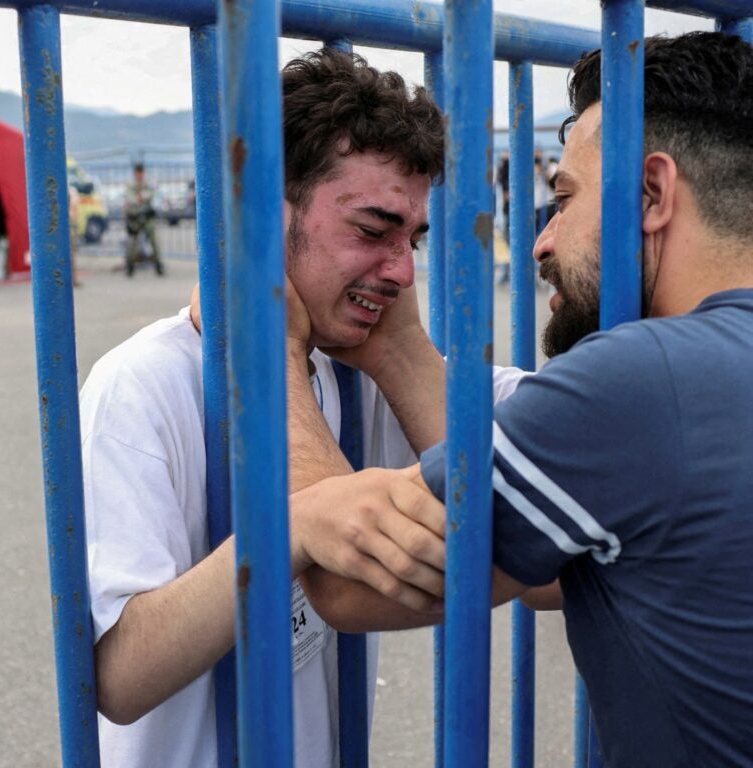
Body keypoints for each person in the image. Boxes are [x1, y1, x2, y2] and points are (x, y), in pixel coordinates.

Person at [296, 32, 753, 767]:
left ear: (654, 194)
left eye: (565, 200)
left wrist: (265, 345)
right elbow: (548, 563)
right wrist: (401, 352)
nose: (542, 242)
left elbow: (346, 582)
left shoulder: (647, 379)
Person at [80, 49, 525, 766]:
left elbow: (531, 508)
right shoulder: (143, 384)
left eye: (413, 239)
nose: (404, 270)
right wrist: (287, 532)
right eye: (373, 230)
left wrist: (404, 354)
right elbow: (118, 676)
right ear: (262, 219)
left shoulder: (356, 370)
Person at [124, 162, 165, 276]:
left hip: (147, 217)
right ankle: (130, 265)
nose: (139, 175)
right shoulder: (131, 185)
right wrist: (140, 198)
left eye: (141, 173)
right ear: (135, 173)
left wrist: (143, 196)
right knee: (133, 243)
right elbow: (130, 198)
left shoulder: (148, 183)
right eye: (138, 173)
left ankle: (158, 265)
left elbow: (155, 194)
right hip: (135, 218)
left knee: (154, 241)